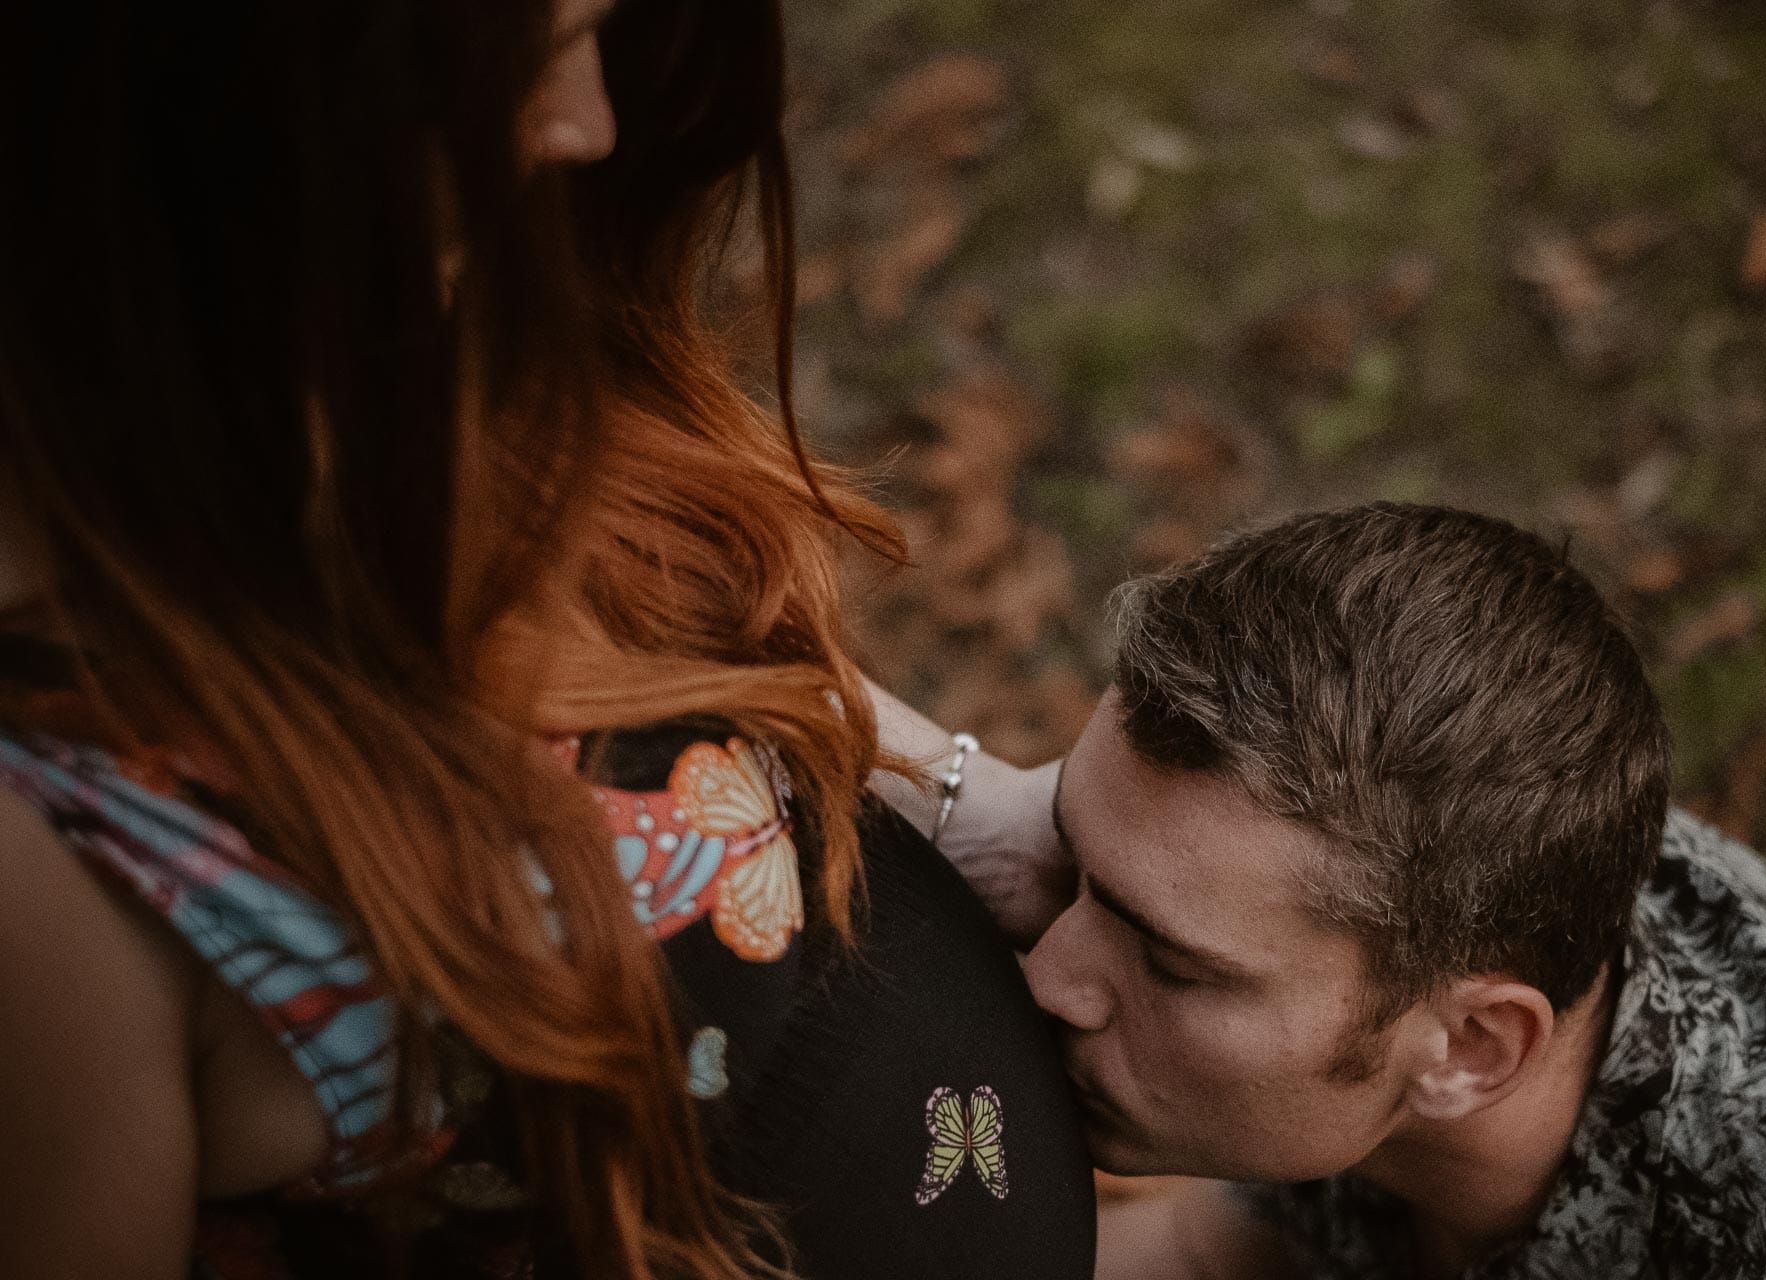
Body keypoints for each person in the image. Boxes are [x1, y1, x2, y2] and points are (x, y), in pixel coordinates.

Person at [0, 2, 1092, 1277]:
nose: (590, 122)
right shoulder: (49, 850)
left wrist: (958, 801)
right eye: (532, 58)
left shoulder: (344, 329)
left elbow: (600, 624)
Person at [1018, 504, 1766, 1280]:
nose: (1047, 975)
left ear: (1470, 1048)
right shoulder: (1455, 878)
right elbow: (1209, 1257)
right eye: (1077, 870)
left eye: (1170, 963)